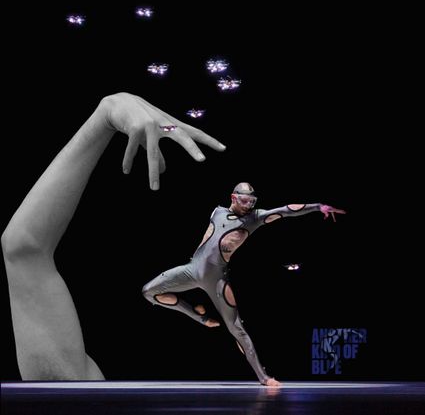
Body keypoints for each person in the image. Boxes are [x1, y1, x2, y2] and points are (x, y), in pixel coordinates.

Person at [1, 92, 226, 380]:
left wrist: (103, 120)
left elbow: (24, 251)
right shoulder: (82, 398)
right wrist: (105, 114)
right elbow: (24, 250)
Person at [142, 182, 346, 387]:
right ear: (233, 197)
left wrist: (317, 206)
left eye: (252, 201)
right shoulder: (217, 211)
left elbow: (285, 210)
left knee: (237, 328)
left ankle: (264, 377)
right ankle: (201, 318)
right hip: (191, 270)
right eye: (245, 200)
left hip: (217, 279)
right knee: (149, 291)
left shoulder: (254, 218)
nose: (249, 205)